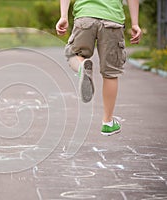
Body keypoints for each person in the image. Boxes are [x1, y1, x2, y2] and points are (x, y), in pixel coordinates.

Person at [56, 0, 142, 136]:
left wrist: (63, 16)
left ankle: (81, 67)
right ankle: (107, 122)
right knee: (111, 73)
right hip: (112, 20)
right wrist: (135, 24)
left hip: (85, 17)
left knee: (73, 54)